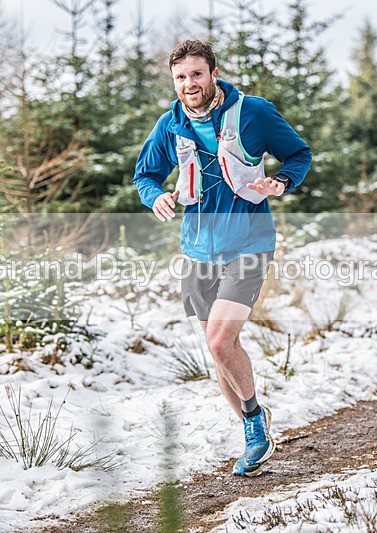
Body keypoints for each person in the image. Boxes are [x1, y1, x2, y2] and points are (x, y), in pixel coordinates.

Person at [133, 40, 312, 476]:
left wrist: (282, 182)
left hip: (250, 241)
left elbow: (299, 153)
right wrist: (156, 197)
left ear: (213, 73)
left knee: (219, 340)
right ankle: (253, 425)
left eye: (196, 74)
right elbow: (145, 175)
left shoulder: (254, 112)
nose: (189, 84)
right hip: (197, 250)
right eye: (180, 77)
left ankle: (254, 425)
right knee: (220, 352)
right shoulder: (170, 124)